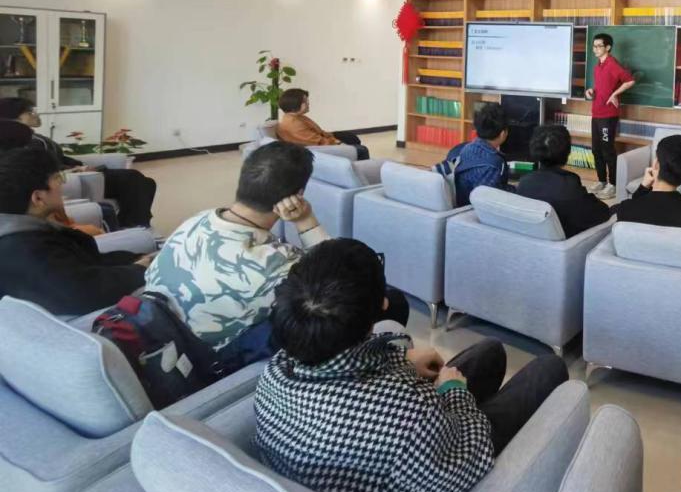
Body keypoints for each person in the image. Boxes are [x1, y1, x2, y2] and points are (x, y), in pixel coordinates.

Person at [255, 238, 569, 492]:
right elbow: (467, 464)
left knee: (489, 352)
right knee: (548, 369)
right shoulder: (407, 417)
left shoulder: (277, 370)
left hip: (370, 470)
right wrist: (454, 392)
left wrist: (403, 361)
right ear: (382, 305)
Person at [145, 141, 405, 365]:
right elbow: (342, 278)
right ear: (297, 195)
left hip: (164, 332)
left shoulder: (197, 220)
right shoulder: (275, 264)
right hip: (213, 359)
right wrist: (305, 220)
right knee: (390, 302)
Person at [0, 146, 152, 315]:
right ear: (38, 198)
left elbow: (88, 262)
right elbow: (88, 290)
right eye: (58, 178)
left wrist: (137, 260)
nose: (62, 184)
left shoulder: (25, 230)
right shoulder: (25, 250)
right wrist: (141, 269)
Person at [0, 96, 158, 228]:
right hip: (68, 177)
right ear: (13, 118)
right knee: (133, 178)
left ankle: (135, 224)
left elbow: (60, 157)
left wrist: (79, 165)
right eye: (29, 112)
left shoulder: (36, 137)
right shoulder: (17, 141)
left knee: (147, 183)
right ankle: (136, 226)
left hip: (76, 171)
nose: (35, 114)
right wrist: (73, 170)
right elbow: (36, 167)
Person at [515, 124, 611, 238]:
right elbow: (601, 214)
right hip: (570, 244)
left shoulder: (524, 183)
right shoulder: (570, 185)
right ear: (568, 152)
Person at [584, 32, 635, 200]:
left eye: (599, 46)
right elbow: (602, 87)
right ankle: (601, 181)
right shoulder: (597, 66)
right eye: (594, 46)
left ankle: (613, 184)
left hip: (608, 115)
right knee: (596, 150)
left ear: (608, 47)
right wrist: (592, 91)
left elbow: (630, 80)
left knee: (608, 151)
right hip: (596, 113)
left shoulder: (613, 64)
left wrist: (615, 94)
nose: (595, 49)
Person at [437, 101, 514, 208]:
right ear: (503, 134)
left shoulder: (460, 149)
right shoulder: (494, 162)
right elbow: (489, 200)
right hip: (470, 210)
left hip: (456, 205)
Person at [276, 88, 370, 161]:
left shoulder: (296, 117)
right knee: (361, 150)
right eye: (305, 101)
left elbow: (318, 133)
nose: (308, 103)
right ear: (295, 104)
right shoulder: (294, 124)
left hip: (320, 141)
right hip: (318, 148)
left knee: (350, 137)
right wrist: (338, 143)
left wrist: (332, 137)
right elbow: (318, 142)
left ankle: (352, 159)